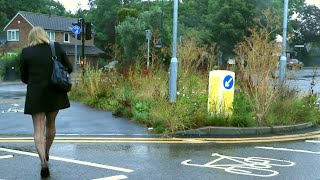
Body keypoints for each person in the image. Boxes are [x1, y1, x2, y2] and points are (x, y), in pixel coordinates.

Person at [20, 26, 73, 177]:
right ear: (44, 35)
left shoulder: (26, 52)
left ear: (31, 38)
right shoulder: (55, 47)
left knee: (38, 128)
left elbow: (24, 77)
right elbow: (68, 68)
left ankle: (43, 161)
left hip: (36, 94)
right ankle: (47, 151)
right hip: (55, 92)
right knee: (51, 125)